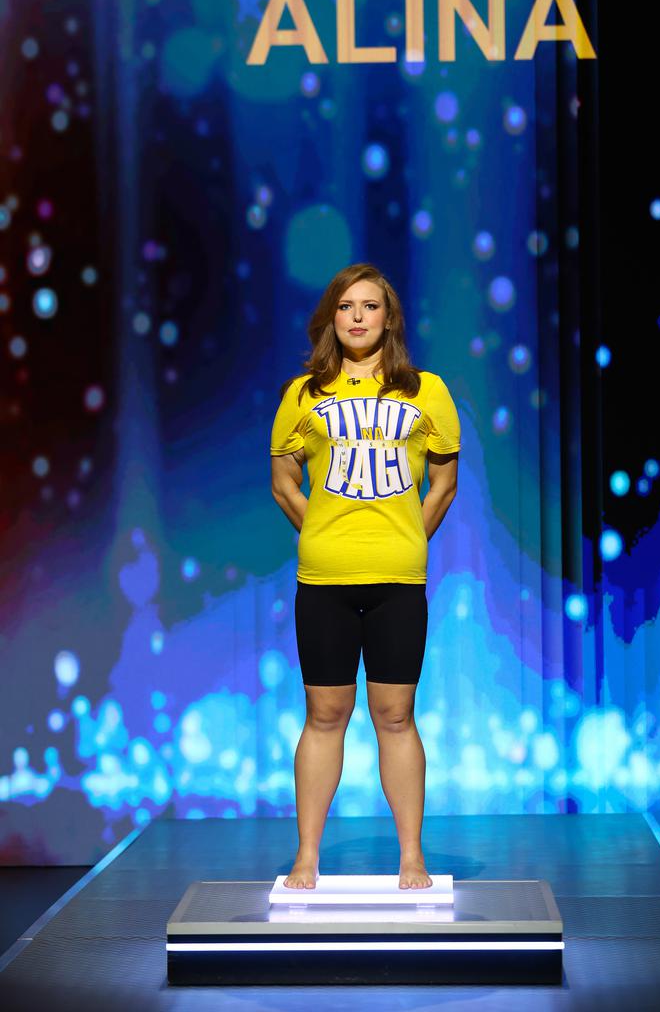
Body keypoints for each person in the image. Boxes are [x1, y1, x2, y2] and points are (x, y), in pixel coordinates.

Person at [270, 262, 460, 891]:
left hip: (397, 582)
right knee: (324, 714)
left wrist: (405, 539)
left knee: (395, 715)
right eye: (346, 306)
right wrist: (325, 531)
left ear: (389, 318)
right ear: (332, 317)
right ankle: (306, 857)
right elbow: (284, 483)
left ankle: (412, 858)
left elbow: (444, 484)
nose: (358, 317)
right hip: (323, 580)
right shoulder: (303, 395)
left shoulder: (426, 391)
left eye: (370, 306)